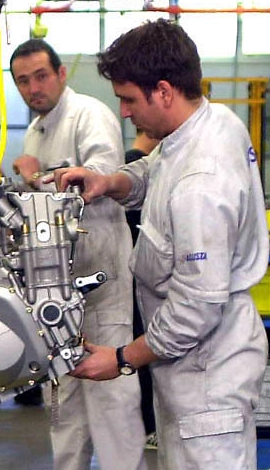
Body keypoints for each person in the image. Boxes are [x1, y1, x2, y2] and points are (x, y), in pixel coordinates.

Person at [54, 19, 269, 470]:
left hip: (208, 379)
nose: (125, 113)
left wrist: (120, 358)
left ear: (165, 91)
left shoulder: (201, 186)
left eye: (130, 99)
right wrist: (112, 181)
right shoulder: (209, 125)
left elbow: (197, 307)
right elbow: (157, 170)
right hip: (192, 372)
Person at [8, 38, 148, 470]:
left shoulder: (89, 115)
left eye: (41, 76)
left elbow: (98, 185)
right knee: (63, 405)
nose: (34, 88)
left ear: (62, 73)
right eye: (23, 81)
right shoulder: (37, 129)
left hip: (101, 281)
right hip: (57, 286)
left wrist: (33, 175)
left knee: (113, 405)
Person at [124, 128, 161, 449]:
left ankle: (149, 424)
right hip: (142, 277)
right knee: (147, 350)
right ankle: (150, 425)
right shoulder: (139, 168)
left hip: (136, 277)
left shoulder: (129, 164)